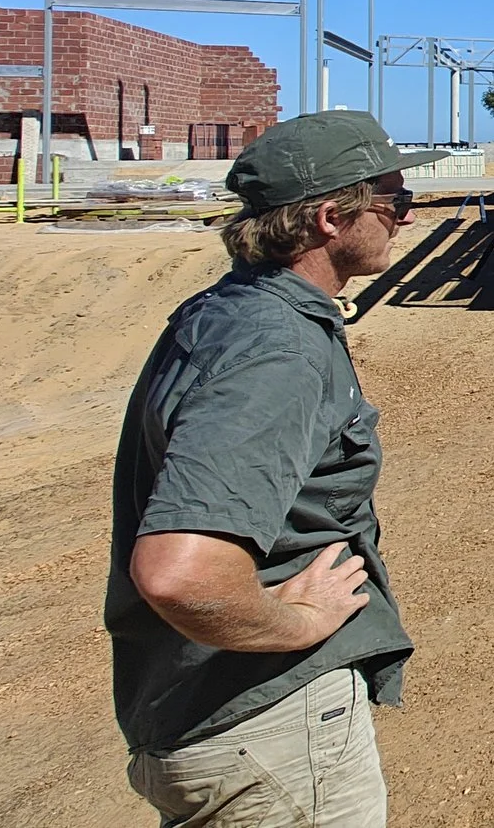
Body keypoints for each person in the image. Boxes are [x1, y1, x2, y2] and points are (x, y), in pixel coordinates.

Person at [106, 110, 442, 826]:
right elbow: (179, 571)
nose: (405, 218)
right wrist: (294, 621)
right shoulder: (275, 349)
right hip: (269, 730)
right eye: (395, 200)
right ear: (330, 218)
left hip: (227, 725)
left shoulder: (230, 312)